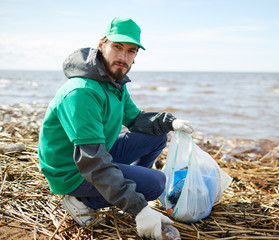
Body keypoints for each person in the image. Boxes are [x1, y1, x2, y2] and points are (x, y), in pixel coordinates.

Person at [38, 17, 194, 240]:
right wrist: (138, 207)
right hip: (72, 170)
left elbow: (136, 119)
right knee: (157, 183)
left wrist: (169, 122)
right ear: (102, 45)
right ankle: (84, 200)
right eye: (117, 47)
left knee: (157, 136)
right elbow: (90, 159)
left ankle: (126, 186)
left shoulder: (114, 82)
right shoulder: (81, 91)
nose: (123, 57)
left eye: (131, 51)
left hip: (97, 154)